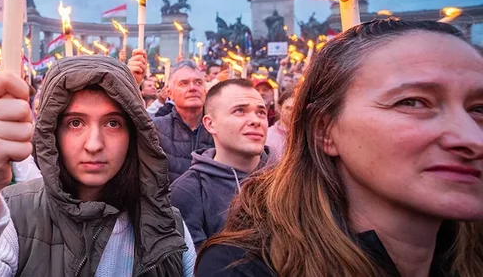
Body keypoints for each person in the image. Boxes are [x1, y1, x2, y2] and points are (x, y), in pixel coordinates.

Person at [197, 20, 483, 277]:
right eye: (412, 102)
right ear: (325, 129)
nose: (472, 138)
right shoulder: (239, 268)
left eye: (479, 108)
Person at [0, 56, 196, 276]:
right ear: (52, 132)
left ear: (135, 134)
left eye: (113, 123)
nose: (94, 143)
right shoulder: (16, 215)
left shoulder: (169, 227)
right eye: (75, 123)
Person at [170, 79, 270, 248]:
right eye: (240, 111)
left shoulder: (290, 179)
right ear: (210, 124)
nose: (255, 120)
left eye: (261, 113)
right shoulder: (188, 191)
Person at [153, 60, 214, 182]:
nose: (192, 88)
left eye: (198, 82)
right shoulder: (156, 130)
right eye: (184, 83)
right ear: (170, 93)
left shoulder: (220, 129)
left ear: (205, 90)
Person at [265, 88, 294, 163]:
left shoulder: (307, 136)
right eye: (289, 108)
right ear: (279, 108)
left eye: (298, 108)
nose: (294, 113)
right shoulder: (267, 137)